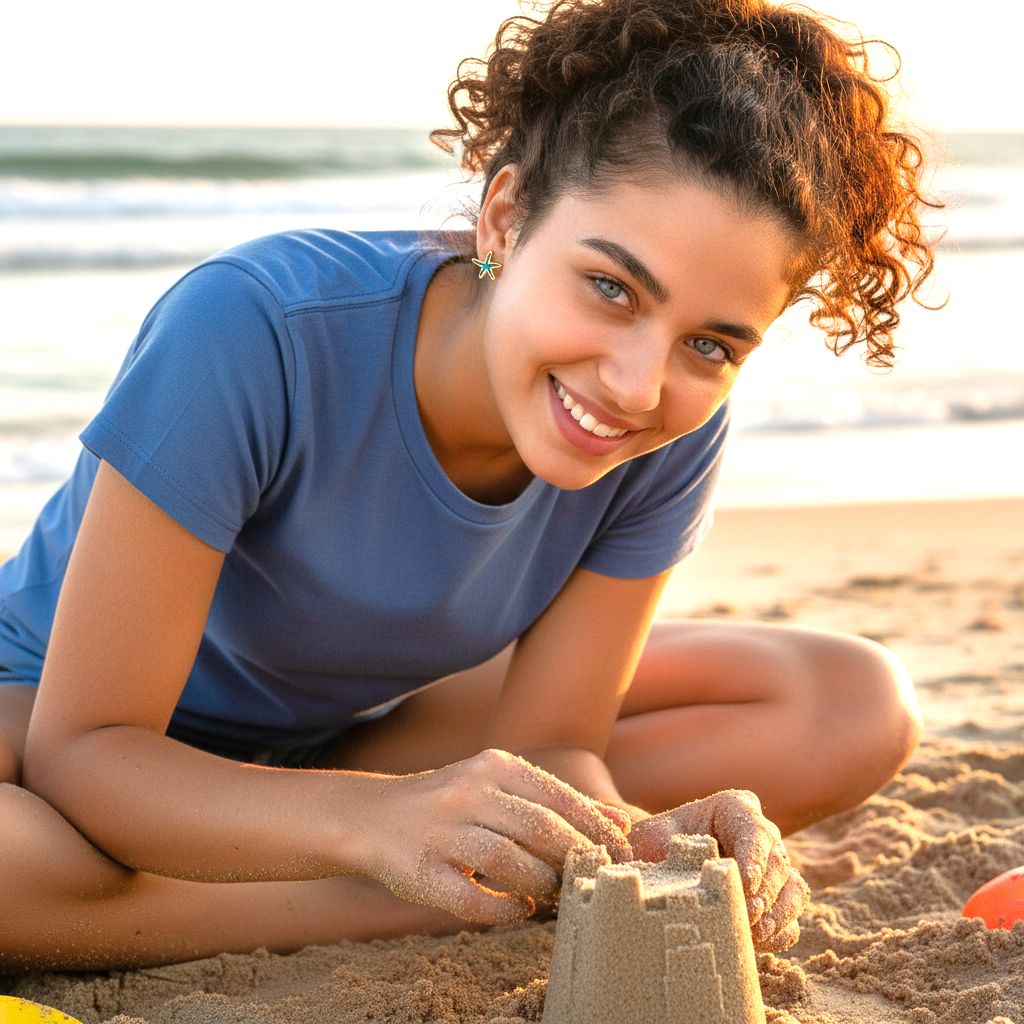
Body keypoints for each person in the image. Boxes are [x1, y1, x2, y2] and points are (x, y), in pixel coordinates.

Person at [0, 0, 936, 972]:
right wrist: (375, 822)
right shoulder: (255, 329)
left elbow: (553, 749)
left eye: (710, 343)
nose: (635, 383)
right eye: (611, 288)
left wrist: (634, 839)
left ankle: (343, 870)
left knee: (848, 702)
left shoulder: (666, 430)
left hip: (350, 738)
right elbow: (87, 751)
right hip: (64, 724)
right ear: (504, 217)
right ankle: (394, 900)